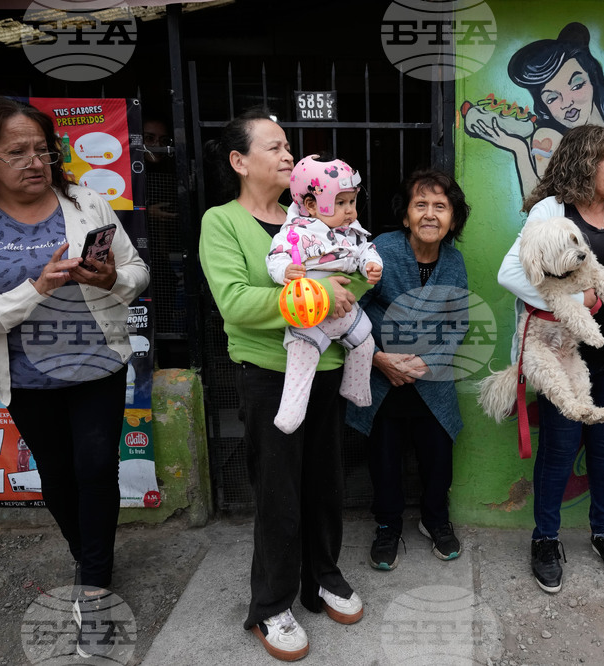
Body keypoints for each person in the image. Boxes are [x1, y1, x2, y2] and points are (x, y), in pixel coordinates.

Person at [0, 96, 149, 658]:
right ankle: (87, 553)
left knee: (98, 468)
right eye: (17, 152)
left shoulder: (87, 200)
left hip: (97, 363)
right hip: (26, 376)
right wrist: (36, 290)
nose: (35, 162)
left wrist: (109, 280)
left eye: (43, 149)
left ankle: (96, 586)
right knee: (57, 475)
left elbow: (135, 271)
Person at [199, 108, 368, 662]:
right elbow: (237, 303)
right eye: (273, 147)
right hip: (268, 375)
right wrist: (320, 294)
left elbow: (352, 283)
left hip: (327, 364)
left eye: (288, 146)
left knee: (326, 482)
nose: (288, 154)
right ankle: (270, 605)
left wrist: (344, 287)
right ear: (239, 161)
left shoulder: (314, 215)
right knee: (278, 493)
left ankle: (324, 576)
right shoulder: (222, 223)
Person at [497, 124, 604, 593]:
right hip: (564, 354)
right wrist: (573, 300)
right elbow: (509, 272)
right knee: (560, 450)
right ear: (585, 161)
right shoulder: (552, 212)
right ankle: (545, 539)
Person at [347, 169, 471, 570]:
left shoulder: (454, 261)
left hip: (430, 381)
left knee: (438, 458)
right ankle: (388, 526)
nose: (431, 214)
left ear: (453, 218)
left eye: (441, 206)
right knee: (384, 459)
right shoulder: (380, 250)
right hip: (382, 378)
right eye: (421, 205)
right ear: (406, 217)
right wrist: (379, 358)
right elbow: (354, 308)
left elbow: (459, 322)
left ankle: (435, 520)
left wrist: (428, 362)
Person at [266, 154, 382, 433]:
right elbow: (276, 256)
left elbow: (367, 248)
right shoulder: (296, 233)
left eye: (352, 202)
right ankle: (289, 413)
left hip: (345, 311)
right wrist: (285, 272)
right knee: (301, 363)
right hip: (310, 313)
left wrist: (372, 264)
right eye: (340, 203)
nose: (350, 210)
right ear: (311, 205)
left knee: (364, 344)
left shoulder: (351, 232)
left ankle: (355, 390)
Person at [464, 22, 604, 198]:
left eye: (576, 85)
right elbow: (538, 206)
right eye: (552, 97)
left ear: (592, 79)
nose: (566, 103)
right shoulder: (549, 138)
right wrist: (519, 149)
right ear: (543, 105)